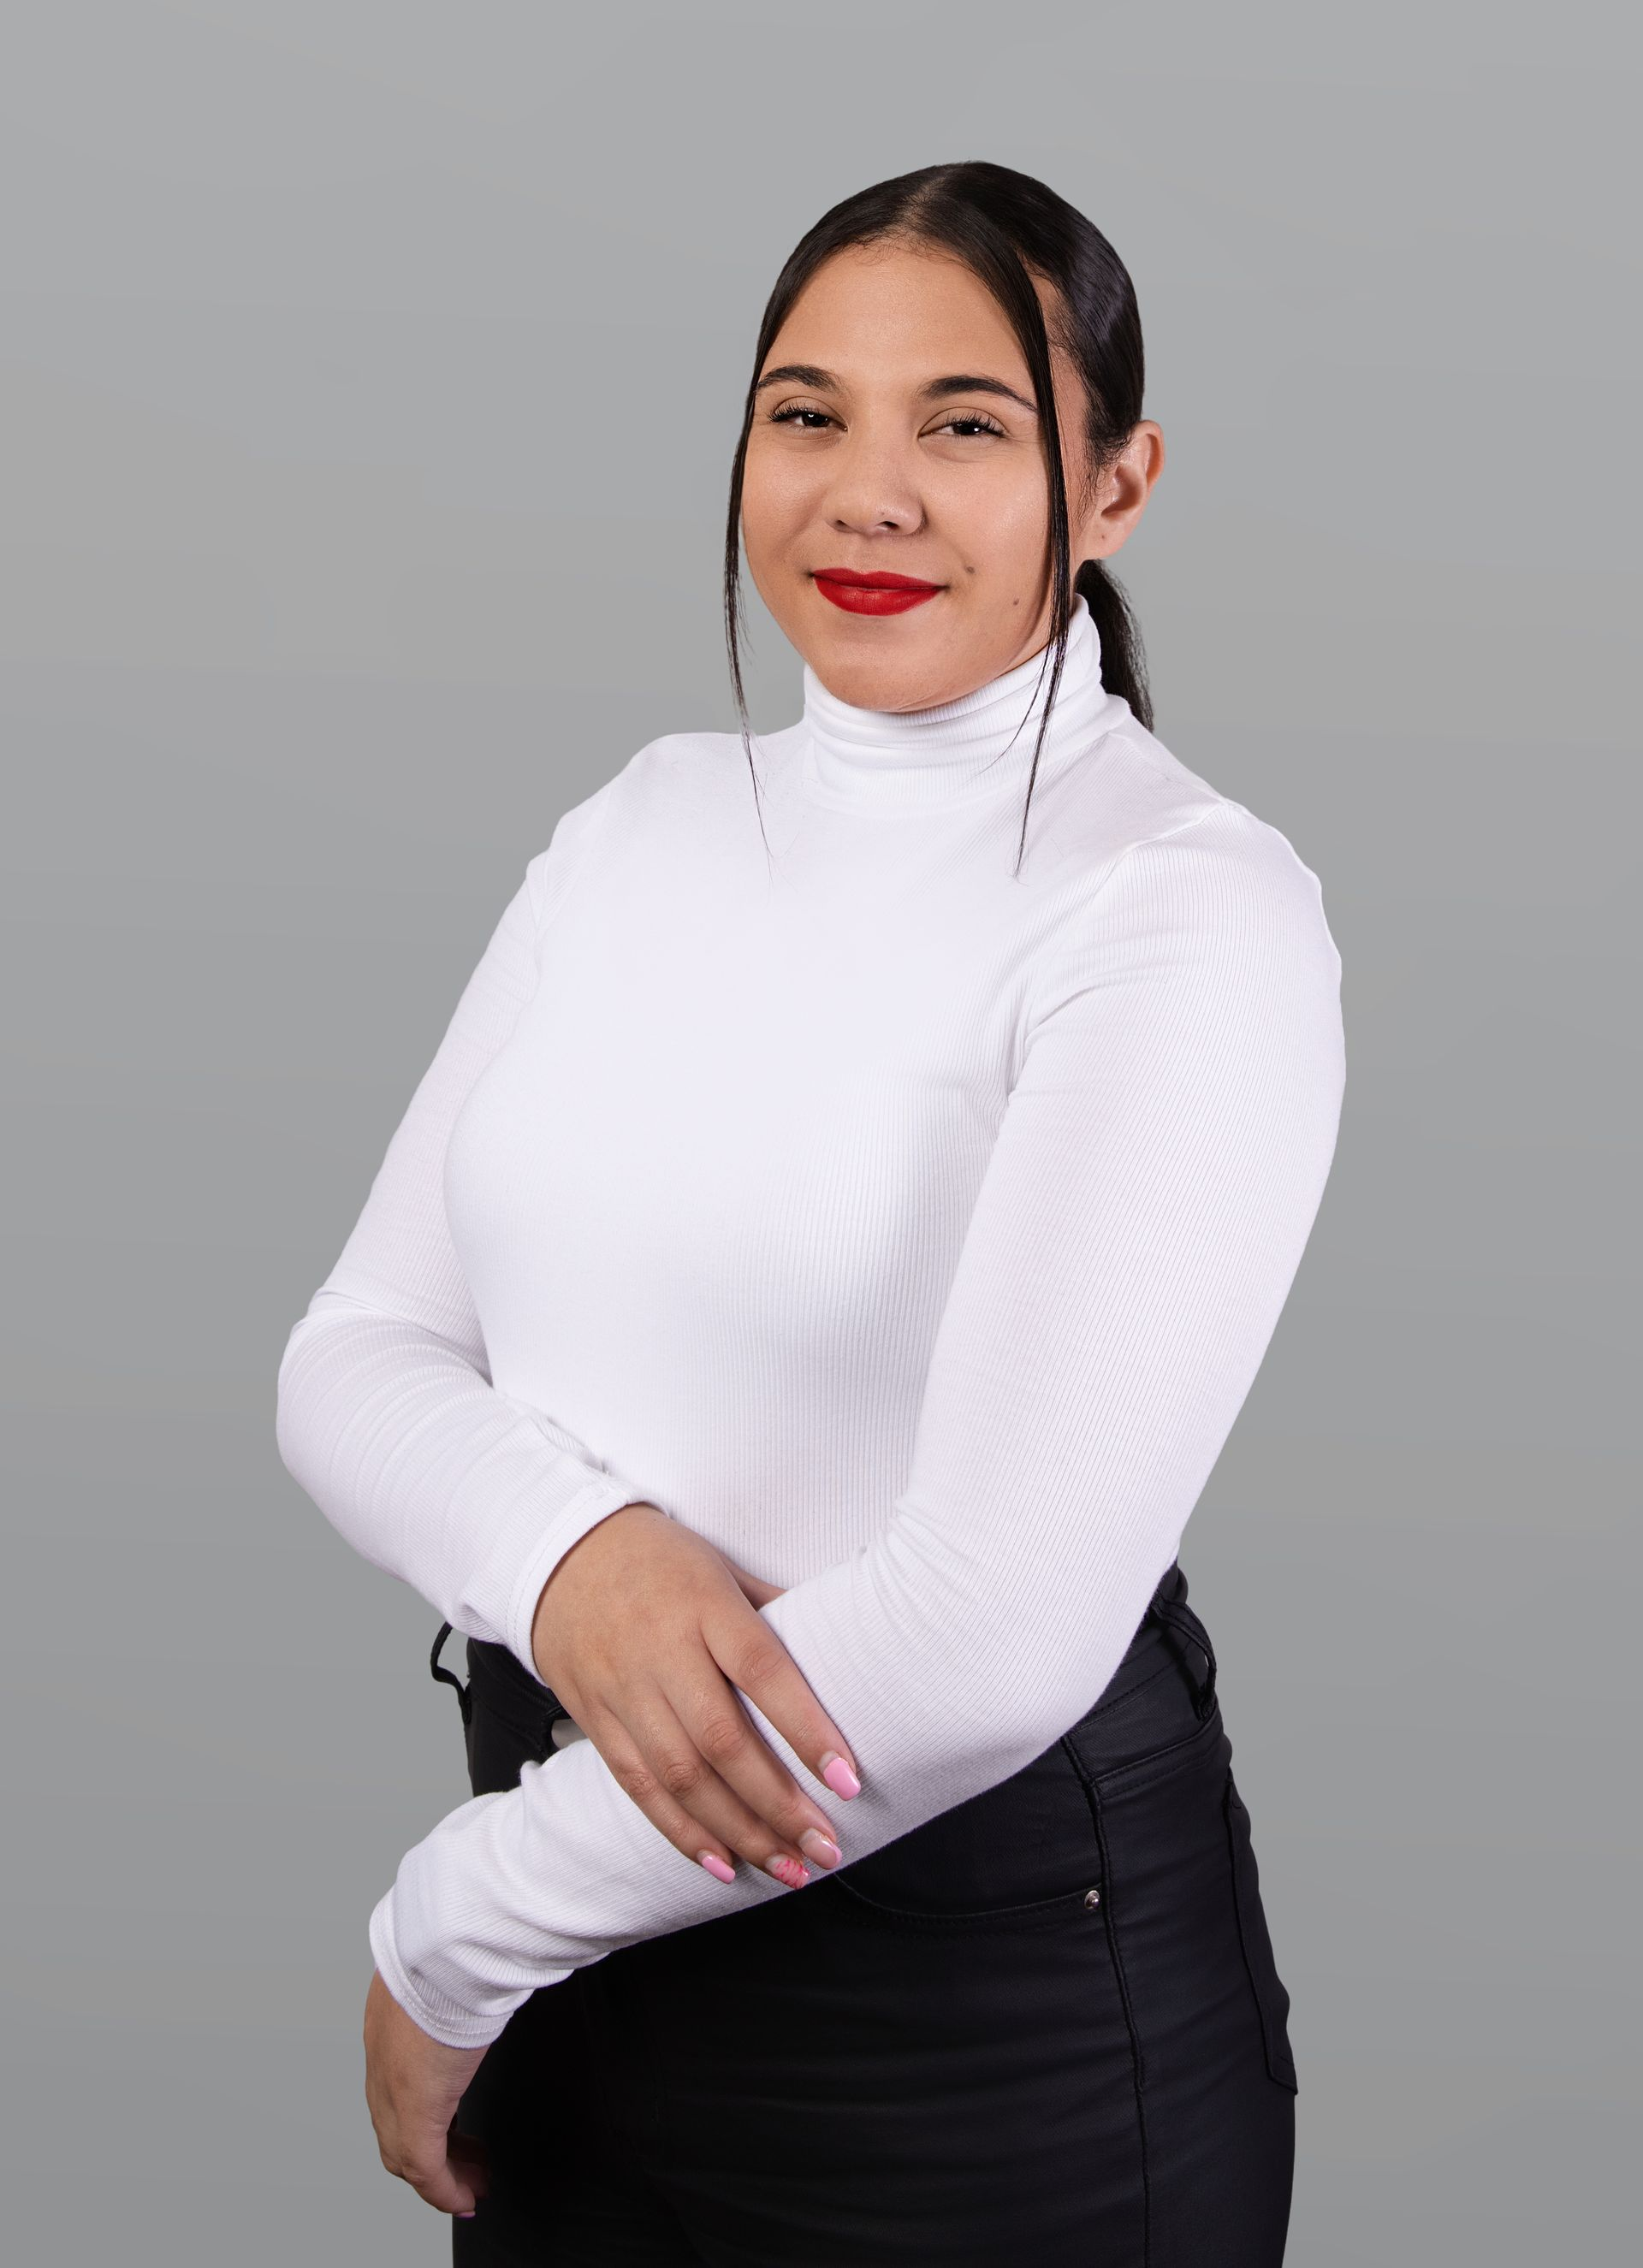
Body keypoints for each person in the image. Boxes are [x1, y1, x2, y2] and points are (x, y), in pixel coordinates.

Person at [276, 158, 1344, 2265]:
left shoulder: (1184, 909)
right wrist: (574, 1557)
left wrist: (449, 1929)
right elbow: (351, 1357)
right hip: (594, 1991)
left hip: (975, 2027)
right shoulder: (643, 824)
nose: (866, 492)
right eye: (804, 413)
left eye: (965, 422)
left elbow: (982, 1633)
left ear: (1114, 486)